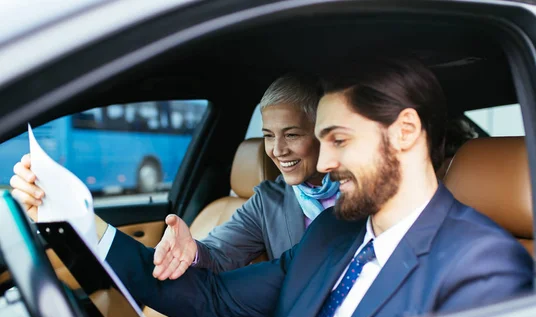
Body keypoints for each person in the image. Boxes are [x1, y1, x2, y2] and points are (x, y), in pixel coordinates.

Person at [115, 58, 532, 317]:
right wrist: (82, 226)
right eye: (321, 140)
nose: (326, 162)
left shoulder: (484, 267)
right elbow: (215, 298)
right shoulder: (332, 232)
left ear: (404, 132)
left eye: (339, 140)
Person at [10, 74, 339, 279]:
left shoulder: (359, 194)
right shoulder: (268, 201)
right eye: (268, 135)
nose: (277, 149)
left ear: (321, 133)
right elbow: (218, 254)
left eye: (292, 134)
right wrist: (191, 250)